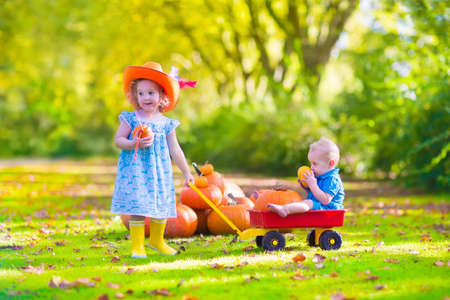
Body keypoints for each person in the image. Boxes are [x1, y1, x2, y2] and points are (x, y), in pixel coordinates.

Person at [111, 62, 194, 257]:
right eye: (141, 93)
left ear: (162, 96)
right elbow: (118, 140)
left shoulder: (166, 123)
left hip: (159, 172)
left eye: (151, 93)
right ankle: (137, 246)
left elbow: (175, 149)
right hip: (136, 171)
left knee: (161, 205)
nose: (146, 97)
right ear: (135, 96)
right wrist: (133, 143)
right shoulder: (131, 119)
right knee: (138, 207)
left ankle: (157, 241)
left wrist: (187, 172)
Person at [268, 137, 344, 217]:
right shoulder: (320, 176)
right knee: (306, 202)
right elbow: (317, 195)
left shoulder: (332, 179)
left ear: (331, 163)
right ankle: (286, 209)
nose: (311, 167)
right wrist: (308, 188)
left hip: (330, 210)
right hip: (322, 208)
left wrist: (313, 185)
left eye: (315, 164)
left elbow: (325, 200)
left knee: (308, 203)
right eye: (311, 163)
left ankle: (285, 210)